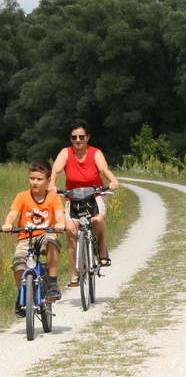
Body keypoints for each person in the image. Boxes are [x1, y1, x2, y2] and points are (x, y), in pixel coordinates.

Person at [49, 120, 119, 286]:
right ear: (70, 138)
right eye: (74, 137)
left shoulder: (95, 153)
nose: (78, 140)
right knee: (71, 231)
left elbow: (104, 169)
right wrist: (52, 184)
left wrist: (113, 181)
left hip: (94, 196)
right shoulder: (65, 153)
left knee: (97, 220)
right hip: (72, 197)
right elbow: (56, 170)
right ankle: (75, 272)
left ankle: (102, 248)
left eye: (81, 137)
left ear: (88, 137)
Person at [1, 160, 65, 316]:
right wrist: (8, 223)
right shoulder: (22, 196)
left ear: (48, 181)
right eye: (32, 178)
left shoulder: (53, 197)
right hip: (26, 237)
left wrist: (61, 223)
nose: (35, 182)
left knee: (52, 241)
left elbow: (59, 214)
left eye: (39, 179)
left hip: (45, 234)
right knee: (18, 265)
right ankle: (22, 294)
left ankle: (52, 282)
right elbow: (13, 213)